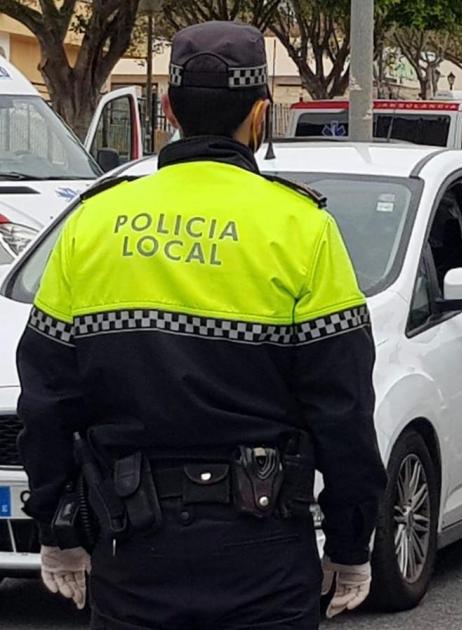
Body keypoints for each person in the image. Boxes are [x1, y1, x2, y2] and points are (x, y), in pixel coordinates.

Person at [16, 21, 386, 628]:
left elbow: (47, 395)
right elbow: (343, 406)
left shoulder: (94, 223)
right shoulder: (302, 228)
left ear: (168, 107)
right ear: (260, 113)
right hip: (264, 556)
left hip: (132, 552)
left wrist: (56, 521)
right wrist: (350, 543)